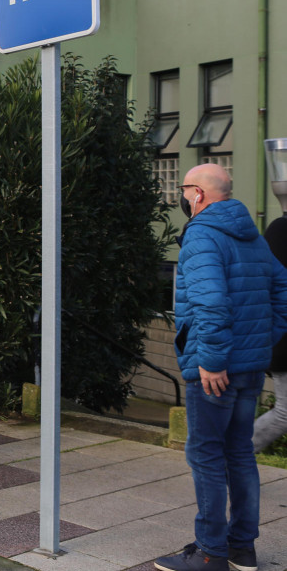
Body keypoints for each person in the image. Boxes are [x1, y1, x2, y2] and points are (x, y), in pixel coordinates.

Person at [154, 164, 287, 571]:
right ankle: (242, 549)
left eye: (183, 188)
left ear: (197, 194)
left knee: (206, 455)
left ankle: (211, 551)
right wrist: (261, 342)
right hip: (248, 365)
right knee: (240, 454)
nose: (180, 194)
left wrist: (211, 360)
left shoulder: (202, 235)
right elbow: (282, 291)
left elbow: (210, 304)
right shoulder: (252, 235)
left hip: (215, 368)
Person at [252, 215, 287, 453]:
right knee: (285, 414)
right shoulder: (281, 230)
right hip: (284, 340)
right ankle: (233, 459)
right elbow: (267, 287)